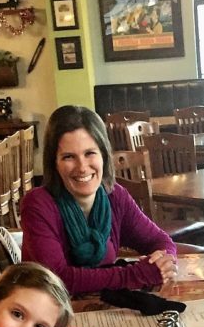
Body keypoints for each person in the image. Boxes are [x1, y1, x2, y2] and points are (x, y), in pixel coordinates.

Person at [20, 105, 178, 295]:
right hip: (51, 315)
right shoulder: (38, 204)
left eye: (90, 153)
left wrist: (163, 262)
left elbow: (160, 240)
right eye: (69, 157)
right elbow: (57, 280)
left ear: (103, 155)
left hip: (103, 309)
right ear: (54, 163)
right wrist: (135, 275)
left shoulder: (116, 197)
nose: (82, 167)